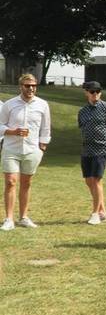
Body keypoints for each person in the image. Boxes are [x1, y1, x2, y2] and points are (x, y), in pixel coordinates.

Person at [0, 73, 51, 231]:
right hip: (11, 148)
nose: (31, 88)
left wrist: (42, 147)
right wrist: (13, 131)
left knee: (26, 183)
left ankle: (23, 217)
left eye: (33, 86)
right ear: (20, 86)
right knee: (10, 182)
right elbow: (0, 125)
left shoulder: (42, 105)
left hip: (32, 150)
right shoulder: (9, 104)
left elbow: (46, 128)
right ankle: (9, 219)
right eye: (27, 86)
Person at [77, 80, 106, 224]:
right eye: (92, 92)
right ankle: (103, 212)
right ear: (86, 93)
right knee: (89, 180)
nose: (95, 94)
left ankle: (95, 213)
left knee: (96, 179)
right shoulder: (82, 112)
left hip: (102, 148)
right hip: (86, 149)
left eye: (97, 92)